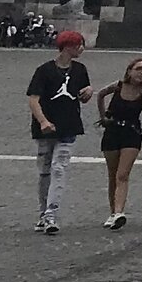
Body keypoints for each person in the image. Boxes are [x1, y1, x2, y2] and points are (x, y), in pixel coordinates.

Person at [26, 30, 93, 235]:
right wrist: (43, 121)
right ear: (68, 46)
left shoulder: (80, 69)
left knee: (59, 168)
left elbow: (83, 93)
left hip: (69, 125)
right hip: (46, 127)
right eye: (79, 45)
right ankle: (43, 213)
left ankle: (51, 214)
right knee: (45, 170)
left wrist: (88, 92)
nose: (82, 48)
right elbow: (33, 98)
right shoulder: (44, 70)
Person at [96, 57, 142, 229]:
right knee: (112, 174)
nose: (141, 72)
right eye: (138, 68)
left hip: (131, 134)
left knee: (122, 174)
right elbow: (100, 94)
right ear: (129, 71)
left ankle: (119, 212)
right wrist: (102, 117)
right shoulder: (118, 86)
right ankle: (112, 212)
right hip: (112, 132)